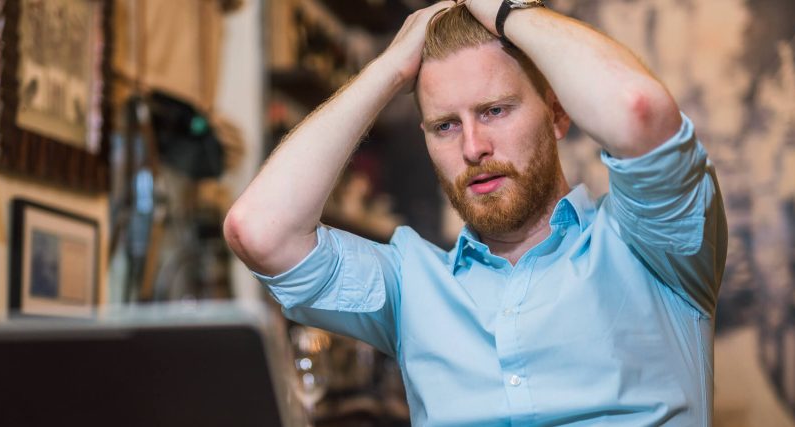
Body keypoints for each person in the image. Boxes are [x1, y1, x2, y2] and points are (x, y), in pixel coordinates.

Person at [225, 0, 727, 425]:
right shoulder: (411, 286)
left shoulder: (652, 245)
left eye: (495, 110)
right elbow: (260, 231)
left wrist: (508, 11)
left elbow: (638, 110)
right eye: (444, 125)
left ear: (556, 113)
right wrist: (388, 69)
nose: (472, 146)